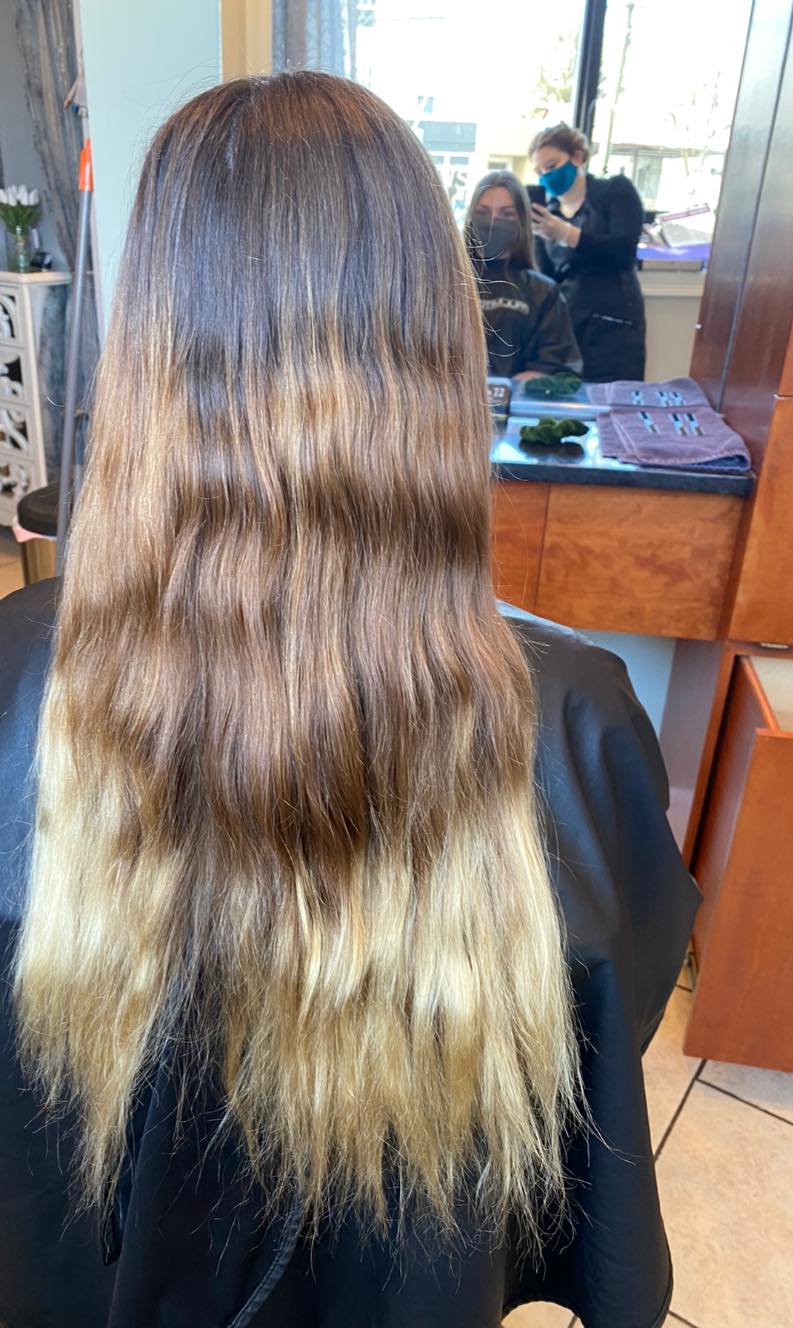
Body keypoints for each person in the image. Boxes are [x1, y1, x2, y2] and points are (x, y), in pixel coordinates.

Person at [0, 73, 697, 1328]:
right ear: (434, 342)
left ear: (152, 337)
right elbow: (609, 1035)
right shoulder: (577, 726)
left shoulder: (14, 674)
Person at [529, 123, 647, 382]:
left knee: (611, 396)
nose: (546, 176)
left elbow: (624, 250)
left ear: (577, 157)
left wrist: (567, 234)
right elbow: (547, 277)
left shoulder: (614, 192)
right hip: (568, 324)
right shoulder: (548, 215)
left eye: (551, 166)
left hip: (614, 324)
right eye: (539, 172)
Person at [464, 170, 582, 380]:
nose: (493, 221)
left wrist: (507, 389)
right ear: (471, 217)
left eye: (506, 214)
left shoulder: (543, 291)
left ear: (521, 221)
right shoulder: (443, 283)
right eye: (483, 212)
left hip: (514, 398)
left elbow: (556, 364)